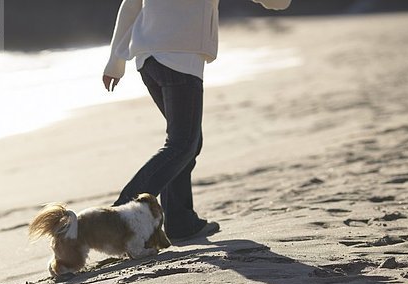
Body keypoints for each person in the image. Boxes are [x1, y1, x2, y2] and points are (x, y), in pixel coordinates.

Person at [103, 0, 292, 242]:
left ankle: (180, 222)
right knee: (182, 144)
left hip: (147, 58)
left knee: (187, 143)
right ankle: (120, 217)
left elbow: (130, 5)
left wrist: (115, 63)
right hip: (179, 58)